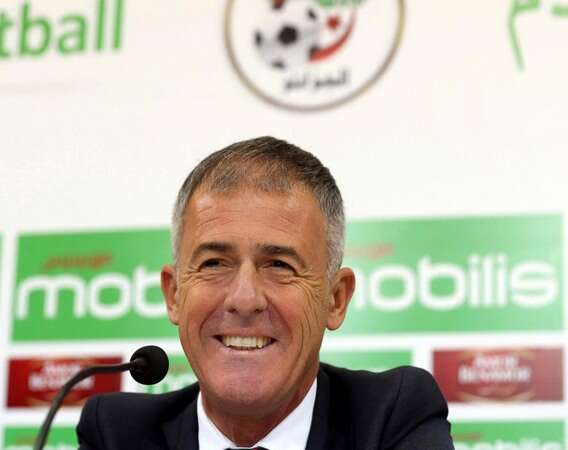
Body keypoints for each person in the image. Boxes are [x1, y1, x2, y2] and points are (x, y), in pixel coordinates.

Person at [77, 136, 453, 450]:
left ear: (335, 299)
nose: (244, 299)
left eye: (279, 265)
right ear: (174, 294)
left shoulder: (392, 417)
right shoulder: (116, 434)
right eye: (214, 263)